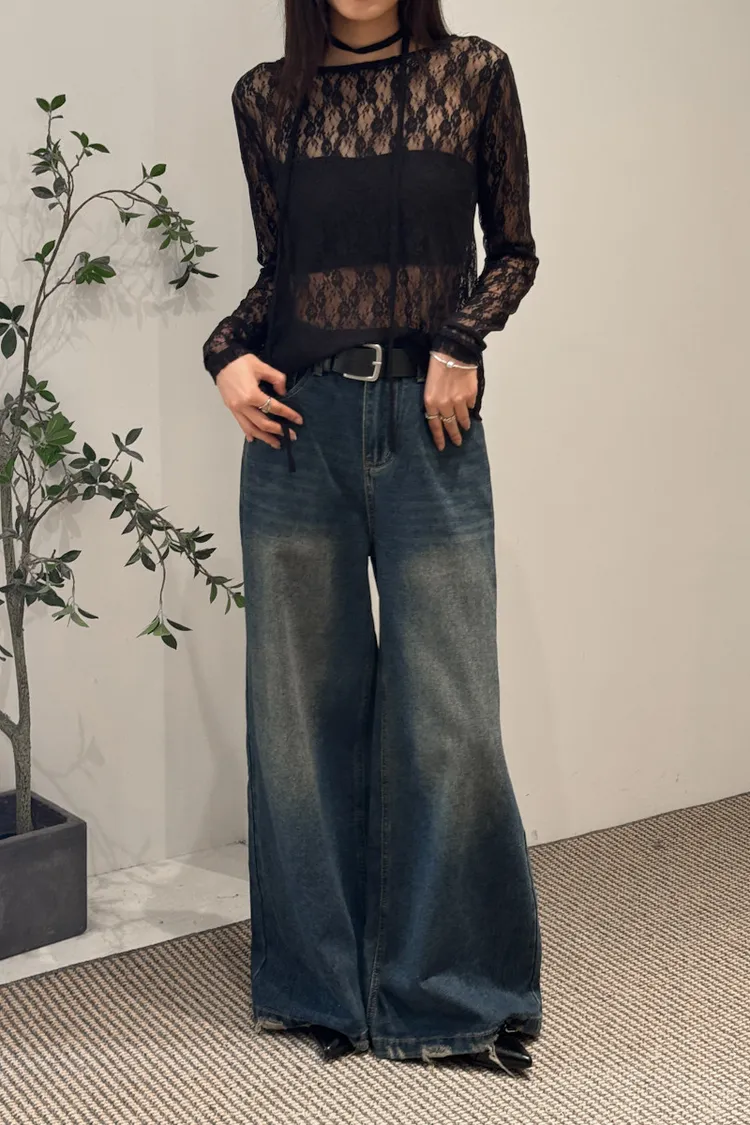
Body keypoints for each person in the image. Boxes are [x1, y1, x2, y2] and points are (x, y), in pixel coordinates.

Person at [202, 0, 543, 1074]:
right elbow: (283, 272)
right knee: (298, 719)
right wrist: (223, 354)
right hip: (296, 432)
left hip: (429, 427)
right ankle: (320, 990)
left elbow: (514, 251)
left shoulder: (473, 74)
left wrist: (461, 339)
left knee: (451, 716)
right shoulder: (267, 98)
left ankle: (449, 995)